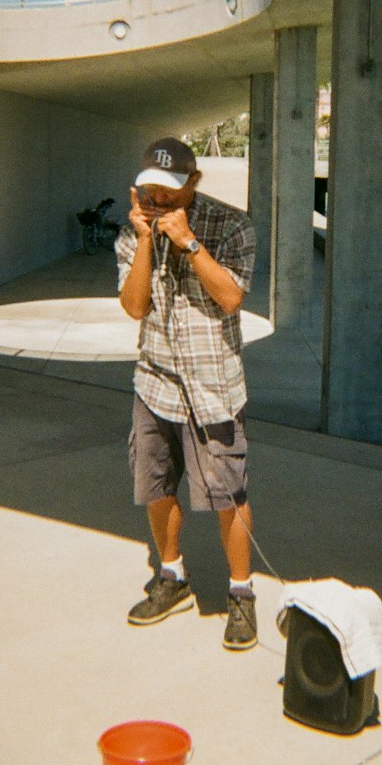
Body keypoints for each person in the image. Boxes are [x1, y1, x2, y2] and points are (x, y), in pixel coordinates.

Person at [116, 136, 259, 650]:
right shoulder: (135, 230)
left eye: (171, 193)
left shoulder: (232, 226)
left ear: (193, 185)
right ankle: (172, 576)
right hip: (155, 380)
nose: (160, 202)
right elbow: (134, 307)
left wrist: (189, 244)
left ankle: (241, 594)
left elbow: (231, 299)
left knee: (229, 494)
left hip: (212, 385)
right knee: (155, 481)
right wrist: (148, 241)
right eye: (151, 192)